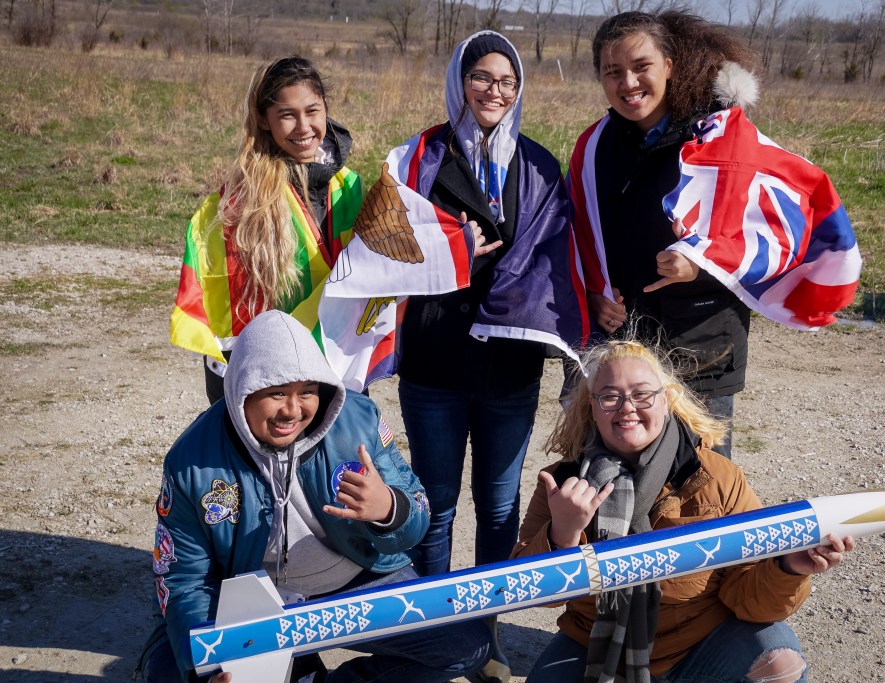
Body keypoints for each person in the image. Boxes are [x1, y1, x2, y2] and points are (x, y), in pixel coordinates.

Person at [136, 310, 493, 683]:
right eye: (277, 393)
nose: (293, 410)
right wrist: (209, 666)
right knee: (171, 671)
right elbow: (184, 579)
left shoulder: (358, 421)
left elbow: (417, 510)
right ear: (242, 388)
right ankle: (292, 662)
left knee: (465, 646)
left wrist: (388, 508)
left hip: (353, 584)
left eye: (307, 391)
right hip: (253, 600)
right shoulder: (191, 462)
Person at [390, 30, 575, 683]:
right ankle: (435, 637)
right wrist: (449, 249)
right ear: (459, 81)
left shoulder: (540, 166)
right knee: (435, 502)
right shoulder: (415, 159)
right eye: (482, 78)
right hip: (435, 365)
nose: (494, 91)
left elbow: (561, 262)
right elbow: (385, 249)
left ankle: (485, 631)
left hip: (510, 372)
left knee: (498, 507)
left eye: (507, 81)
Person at [514, 339, 854, 683]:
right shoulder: (563, 482)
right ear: (593, 405)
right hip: (593, 646)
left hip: (700, 645)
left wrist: (789, 568)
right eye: (610, 396)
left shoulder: (716, 477)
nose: (627, 407)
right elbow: (533, 593)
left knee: (779, 660)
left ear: (666, 400)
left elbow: (751, 601)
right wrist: (563, 534)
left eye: (642, 394)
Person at [569, 11, 764, 458]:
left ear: (670, 66)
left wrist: (700, 266)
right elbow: (577, 238)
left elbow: (764, 240)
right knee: (616, 486)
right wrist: (594, 295)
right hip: (623, 351)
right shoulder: (594, 147)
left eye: (641, 67)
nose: (628, 82)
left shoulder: (720, 139)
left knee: (701, 484)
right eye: (612, 72)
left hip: (701, 344)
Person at [169, 56, 361, 405]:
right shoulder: (239, 204)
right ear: (264, 120)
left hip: (337, 363)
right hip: (265, 374)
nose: (304, 127)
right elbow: (221, 295)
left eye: (312, 111)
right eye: (287, 115)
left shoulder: (350, 188)